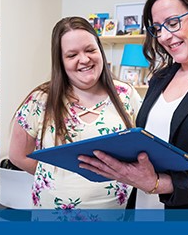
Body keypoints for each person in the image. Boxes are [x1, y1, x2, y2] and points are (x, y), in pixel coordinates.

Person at [78, 0, 188, 209]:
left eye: (173, 23)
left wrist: (160, 183)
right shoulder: (160, 78)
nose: (164, 36)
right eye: (158, 28)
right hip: (143, 206)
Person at [9, 16, 142, 210]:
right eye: (72, 55)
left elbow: (145, 148)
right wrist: (55, 178)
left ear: (100, 51)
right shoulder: (40, 100)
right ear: (60, 61)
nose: (84, 59)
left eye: (90, 50)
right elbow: (18, 155)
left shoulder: (126, 95)